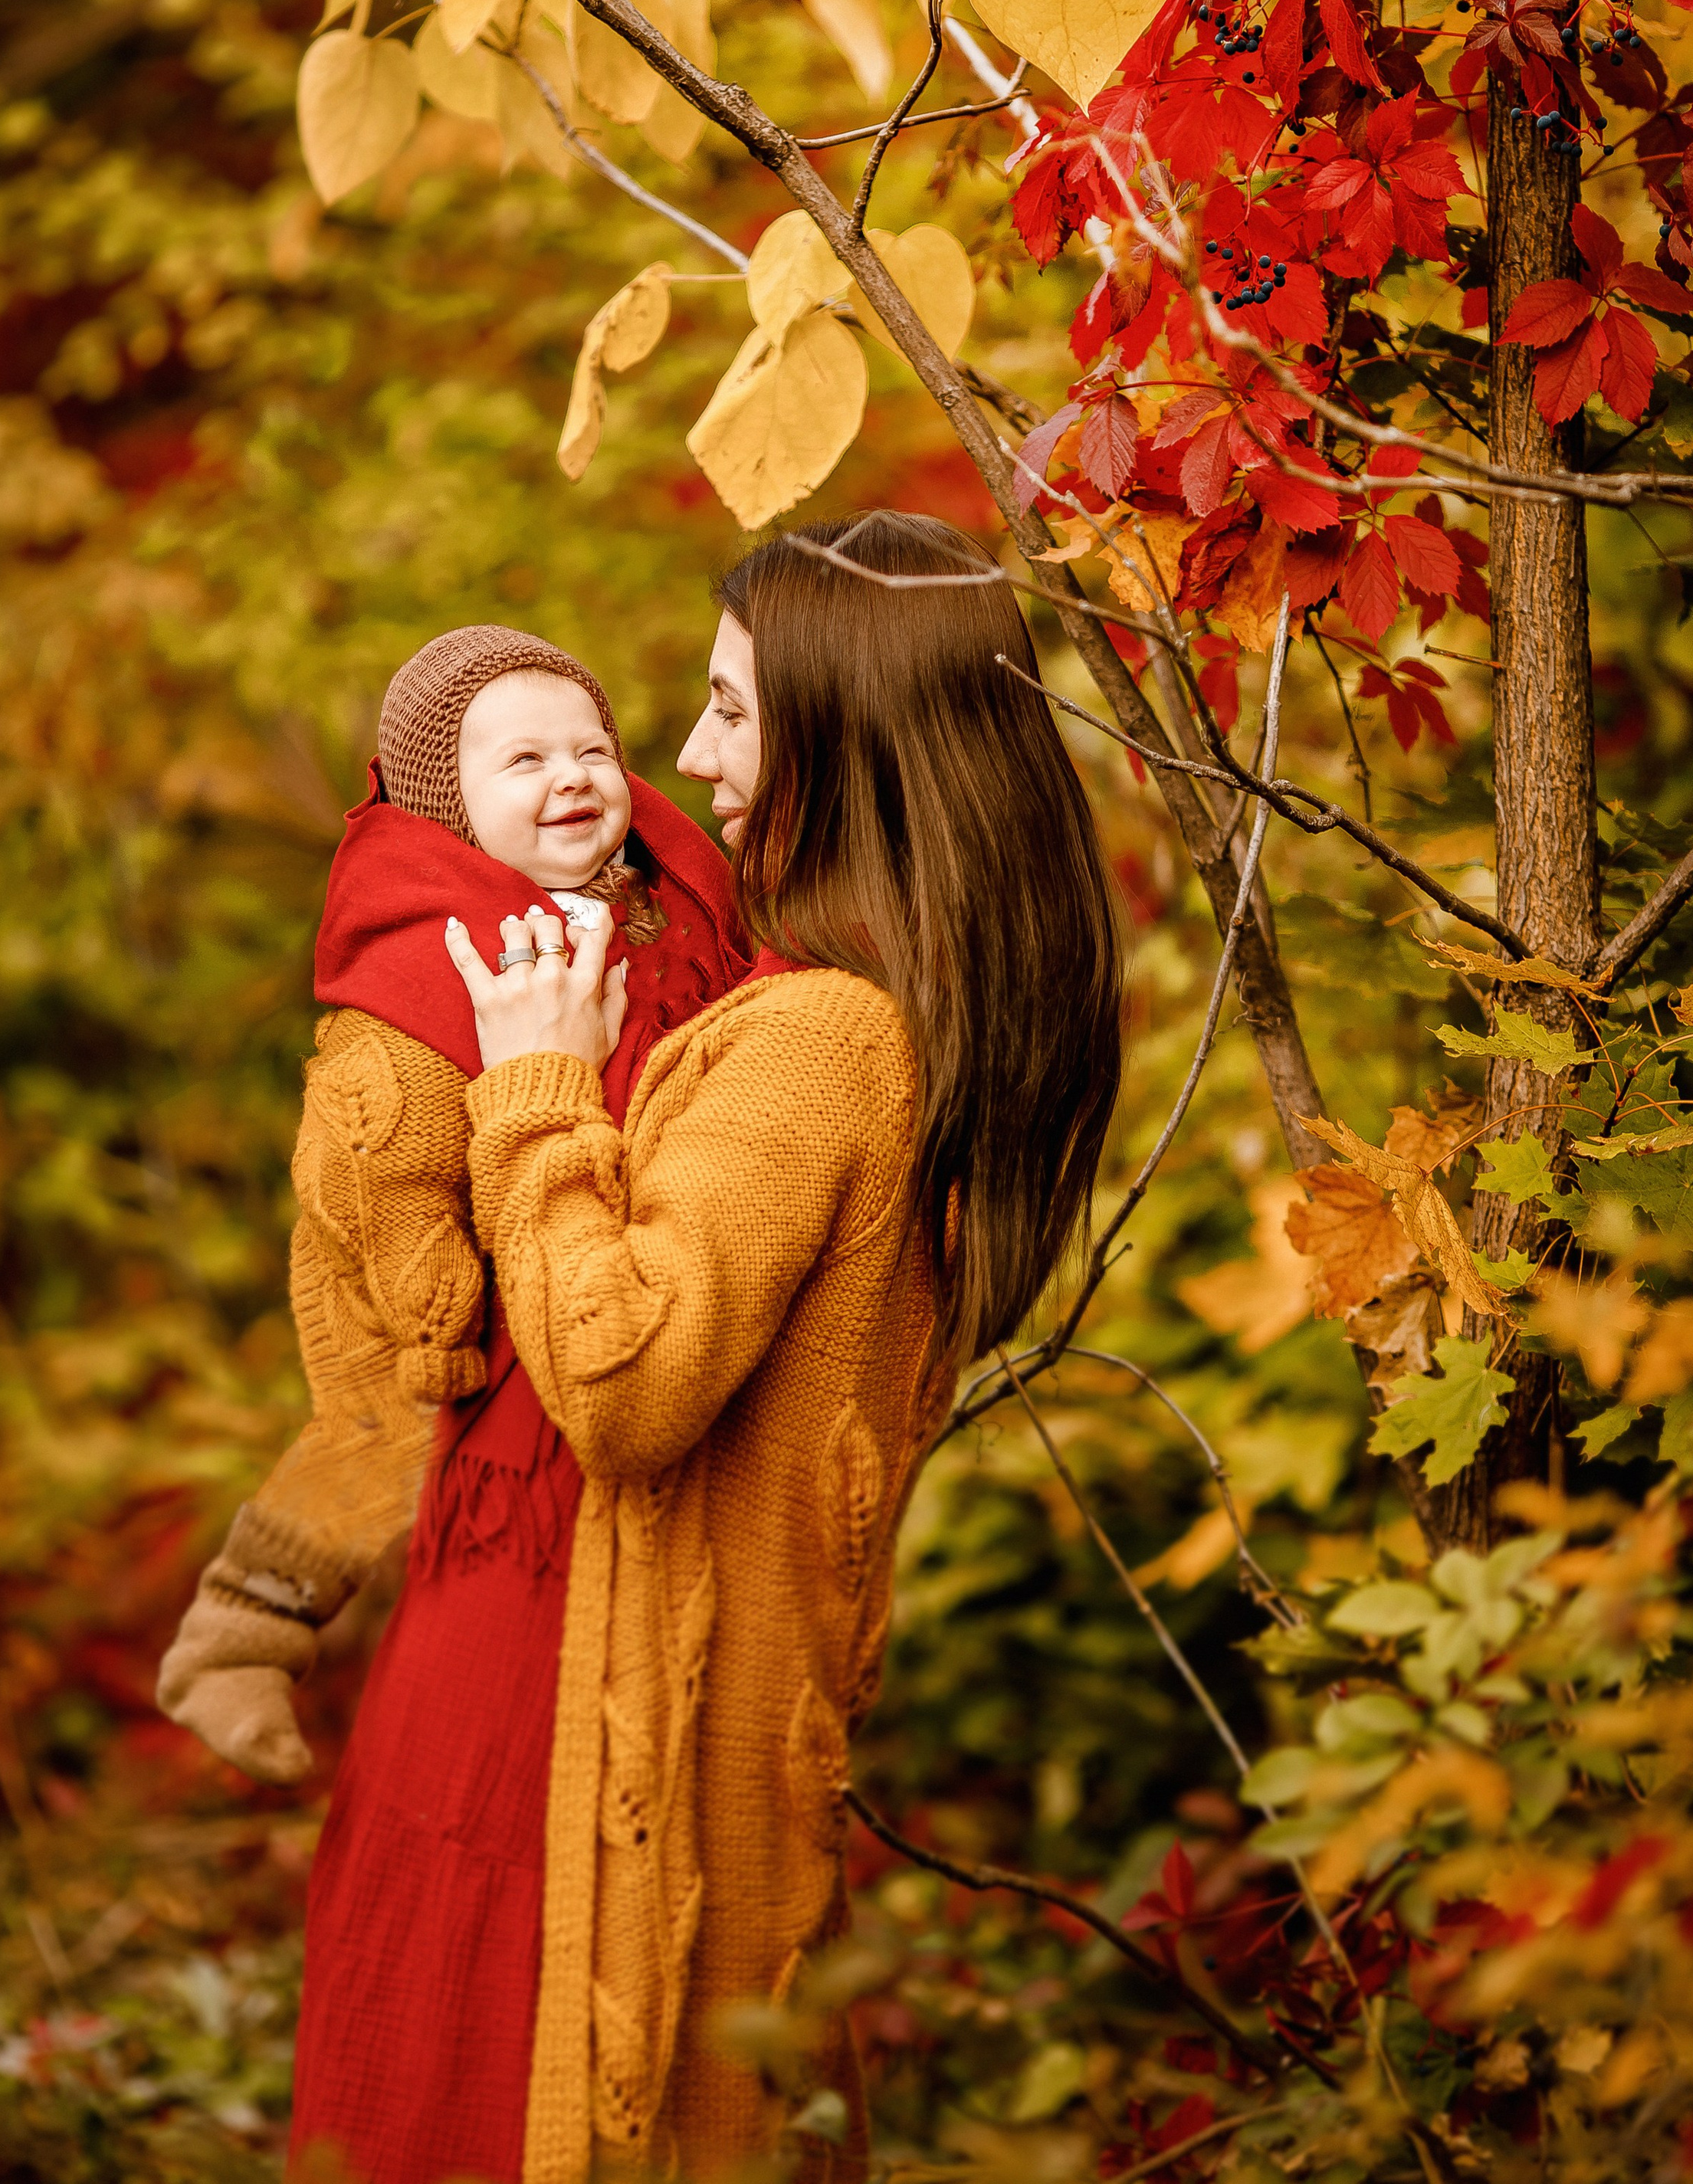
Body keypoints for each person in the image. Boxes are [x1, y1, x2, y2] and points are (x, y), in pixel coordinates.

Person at [281, 513, 1127, 2184]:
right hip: (664, 1717)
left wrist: (530, 1083)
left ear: (849, 734)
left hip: (616, 1742)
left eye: (733, 712)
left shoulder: (819, 1036)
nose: (686, 755)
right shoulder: (881, 1011)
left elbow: (620, 1375)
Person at [156, 625, 749, 1787]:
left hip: (590, 1259)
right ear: (446, 803)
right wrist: (431, 1306)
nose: (572, 776)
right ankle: (239, 1636)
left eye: (591, 748)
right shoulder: (422, 961)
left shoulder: (658, 897)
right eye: (523, 762)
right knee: (378, 1439)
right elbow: (381, 1149)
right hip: (410, 1267)